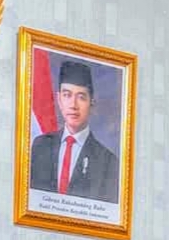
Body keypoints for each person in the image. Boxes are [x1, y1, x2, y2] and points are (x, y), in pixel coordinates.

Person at [29, 60, 119, 203]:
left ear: (91, 103)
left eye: (81, 97)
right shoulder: (40, 146)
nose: (73, 105)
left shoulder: (108, 161)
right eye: (67, 95)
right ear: (59, 99)